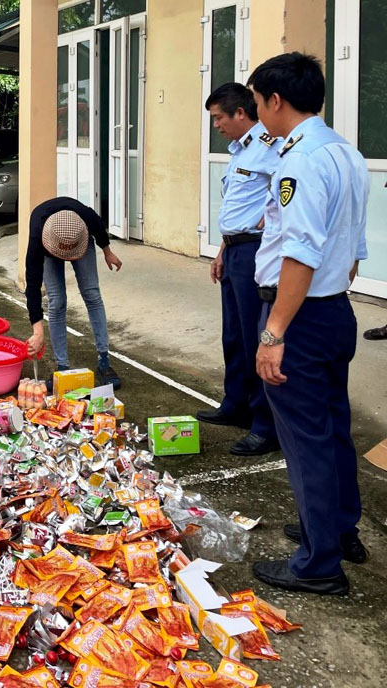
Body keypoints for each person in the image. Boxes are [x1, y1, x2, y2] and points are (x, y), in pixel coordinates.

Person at [248, 52, 369, 595]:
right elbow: (352, 252)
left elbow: (299, 255)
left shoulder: (298, 162)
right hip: (335, 310)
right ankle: (338, 529)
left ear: (276, 101)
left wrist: (274, 332)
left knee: (306, 440)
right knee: (333, 426)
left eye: (256, 103)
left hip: (300, 315)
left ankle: (318, 563)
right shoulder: (346, 152)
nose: (257, 114)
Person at [195, 83, 280, 457]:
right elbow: (237, 205)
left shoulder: (272, 147)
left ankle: (264, 425)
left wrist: (263, 226)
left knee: (254, 338)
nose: (216, 125)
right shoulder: (240, 150)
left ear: (240, 114)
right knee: (234, 336)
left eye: (218, 117)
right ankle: (236, 404)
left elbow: (281, 197)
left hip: (256, 252)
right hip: (234, 251)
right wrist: (221, 250)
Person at [24, 197, 123, 390]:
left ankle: (104, 361)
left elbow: (99, 229)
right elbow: (32, 285)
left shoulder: (86, 218)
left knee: (92, 294)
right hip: (50, 242)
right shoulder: (38, 237)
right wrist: (37, 331)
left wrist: (107, 251)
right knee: (57, 301)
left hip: (79, 240)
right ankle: (62, 367)